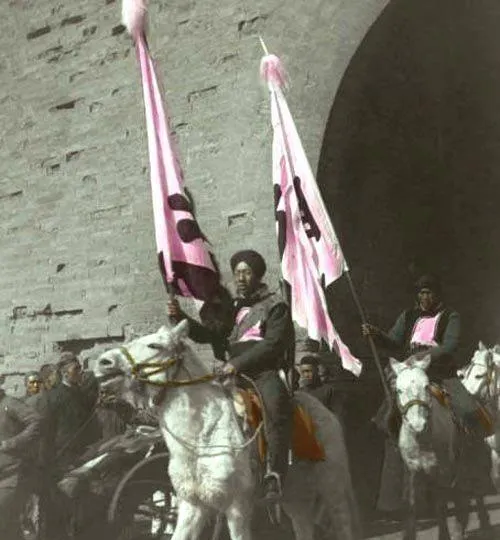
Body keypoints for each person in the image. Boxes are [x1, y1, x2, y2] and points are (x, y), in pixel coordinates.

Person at [167, 249, 294, 502]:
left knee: (275, 407)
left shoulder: (276, 306)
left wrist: (237, 363)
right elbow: (212, 334)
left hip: (262, 373)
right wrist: (180, 317)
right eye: (237, 273)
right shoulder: (233, 308)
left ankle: (275, 473)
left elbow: (273, 344)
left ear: (258, 276)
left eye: (247, 272)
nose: (241, 278)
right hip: (231, 374)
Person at [0, 375, 41, 540]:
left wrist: (11, 443)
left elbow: (36, 422)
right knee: (9, 525)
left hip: (11, 474)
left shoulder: (10, 404)